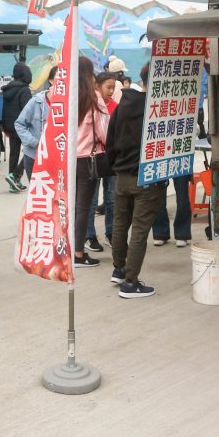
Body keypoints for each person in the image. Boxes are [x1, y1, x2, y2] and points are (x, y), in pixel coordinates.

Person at [105, 63, 164, 298]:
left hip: (122, 176)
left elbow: (110, 140)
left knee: (121, 224)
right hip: (147, 179)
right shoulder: (160, 108)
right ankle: (130, 282)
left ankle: (119, 269)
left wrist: (117, 166)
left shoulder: (123, 105)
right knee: (139, 230)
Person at [70, 56, 110, 269]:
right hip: (88, 160)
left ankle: (67, 249)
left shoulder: (66, 96)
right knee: (83, 208)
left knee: (69, 207)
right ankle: (78, 253)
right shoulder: (93, 97)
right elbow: (104, 131)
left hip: (67, 161)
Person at [85, 71, 119, 253]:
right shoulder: (91, 105)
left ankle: (111, 233)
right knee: (91, 199)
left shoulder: (116, 106)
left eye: (114, 87)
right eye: (108, 87)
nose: (112, 91)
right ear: (97, 86)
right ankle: (89, 235)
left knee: (112, 198)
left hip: (112, 158)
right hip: (94, 158)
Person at [15, 66, 56, 180]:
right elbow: (19, 124)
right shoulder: (37, 101)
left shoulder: (70, 104)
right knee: (38, 195)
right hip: (34, 156)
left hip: (58, 158)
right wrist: (34, 142)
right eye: (58, 79)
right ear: (51, 80)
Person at [0, 62, 33, 193]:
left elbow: (5, 109)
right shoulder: (24, 90)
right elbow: (28, 110)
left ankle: (13, 182)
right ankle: (16, 175)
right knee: (30, 152)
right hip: (23, 127)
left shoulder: (8, 89)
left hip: (10, 126)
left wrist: (4, 126)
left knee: (14, 153)